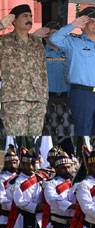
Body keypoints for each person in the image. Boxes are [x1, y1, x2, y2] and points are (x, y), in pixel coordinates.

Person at [49, 7, 95, 136]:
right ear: (82, 25)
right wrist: (73, 25)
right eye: (91, 21)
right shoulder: (72, 41)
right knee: (83, 131)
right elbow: (54, 39)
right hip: (82, 94)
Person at [0, 4, 49, 136]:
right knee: (18, 142)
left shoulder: (36, 42)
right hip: (15, 100)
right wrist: (1, 25)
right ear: (14, 21)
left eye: (31, 16)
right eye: (25, 16)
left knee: (33, 143)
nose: (29, 19)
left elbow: (43, 70)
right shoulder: (4, 42)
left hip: (37, 101)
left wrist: (44, 97)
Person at [43, 21, 69, 100]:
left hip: (67, 95)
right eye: (54, 33)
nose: (57, 37)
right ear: (45, 37)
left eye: (59, 34)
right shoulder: (40, 52)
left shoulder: (69, 52)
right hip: (47, 96)